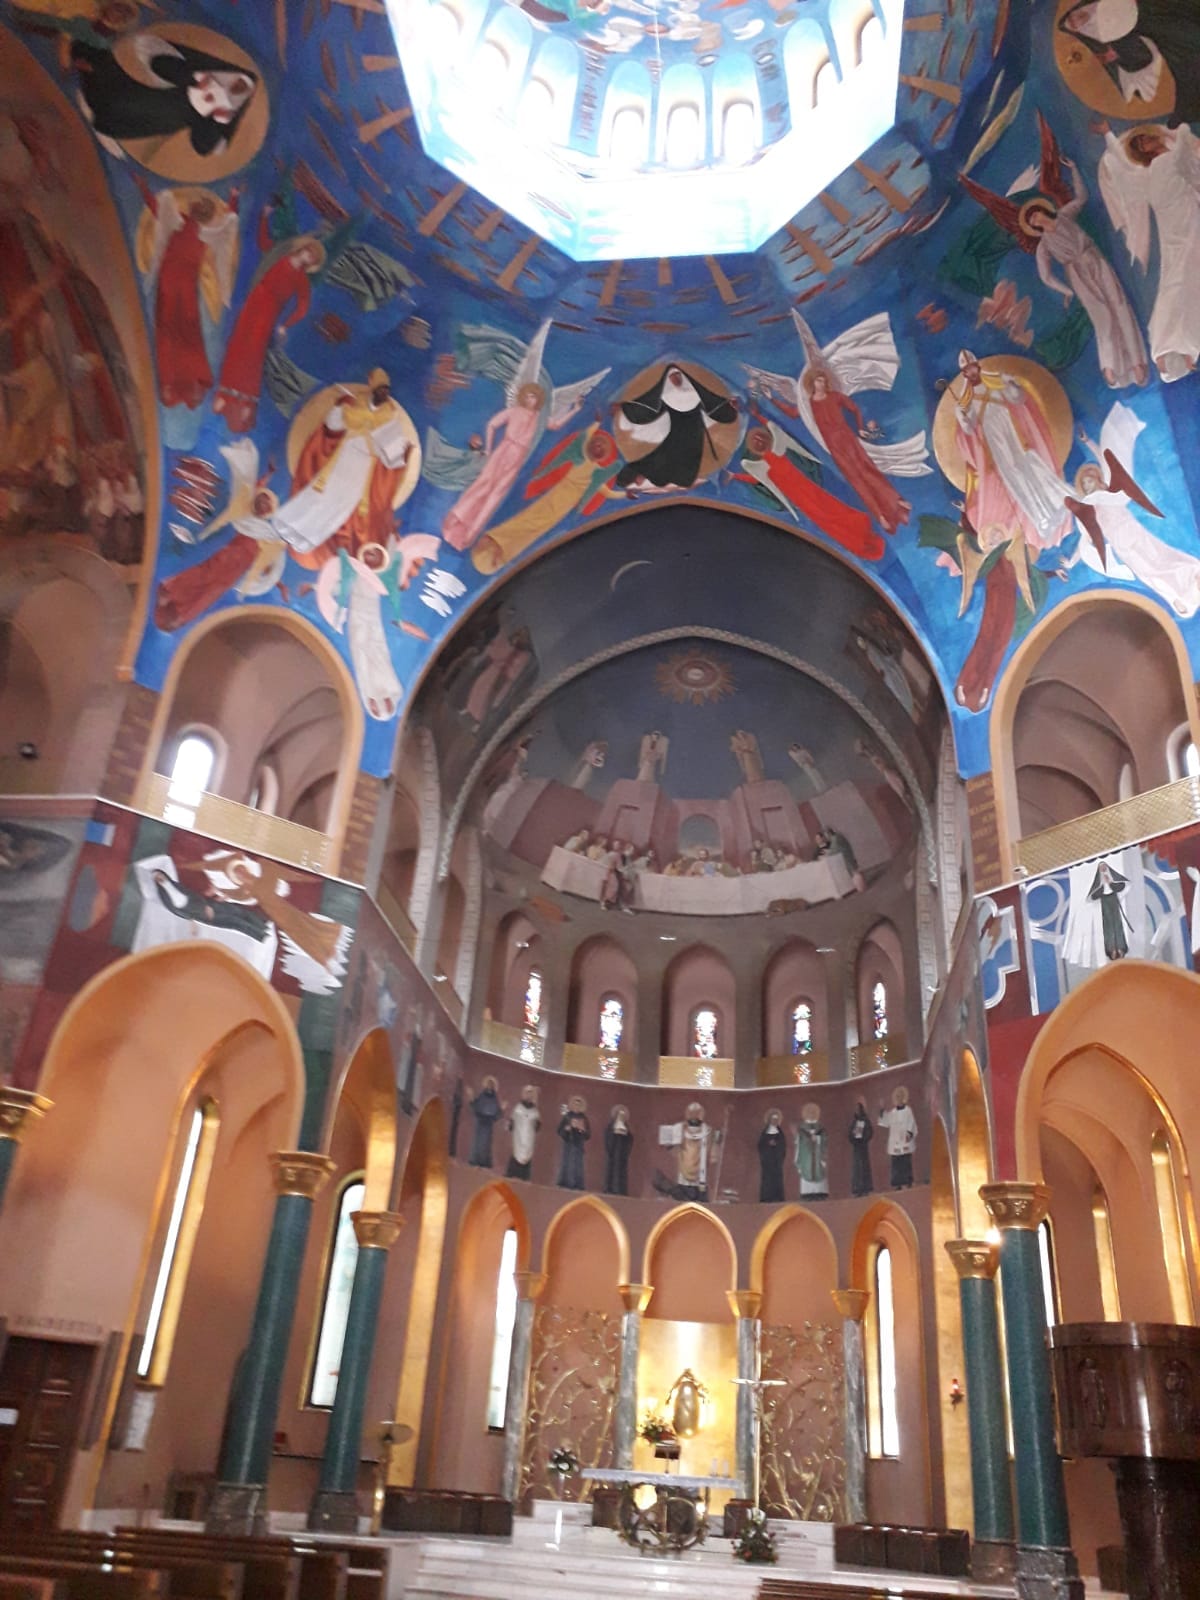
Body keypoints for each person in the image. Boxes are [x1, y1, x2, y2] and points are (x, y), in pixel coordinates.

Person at [655, 1102, 719, 1201]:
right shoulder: (681, 1129)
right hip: (687, 1179)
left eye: (696, 1114)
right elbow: (713, 1158)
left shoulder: (708, 1132)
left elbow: (713, 1157)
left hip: (698, 1179)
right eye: (692, 1114)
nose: (694, 1118)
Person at [1088, 859, 1131, 960]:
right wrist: (1102, 887)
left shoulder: (1112, 876)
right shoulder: (1098, 879)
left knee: (1117, 923)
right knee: (1108, 925)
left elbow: (1121, 886)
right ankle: (1111, 949)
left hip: (1113, 897)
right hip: (1104, 900)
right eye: (1101, 867)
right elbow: (1093, 894)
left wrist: (1110, 882)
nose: (1103, 869)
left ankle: (1121, 947)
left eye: (1104, 867)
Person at [878, 1087, 917, 1189]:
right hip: (895, 1141)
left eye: (900, 1096)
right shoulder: (893, 1112)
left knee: (906, 1162)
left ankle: (908, 1181)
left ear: (904, 1098)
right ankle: (897, 1183)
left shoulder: (908, 1111)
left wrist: (909, 1133)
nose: (898, 1098)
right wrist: (882, 1110)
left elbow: (911, 1122)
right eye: (897, 1097)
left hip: (905, 1140)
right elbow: (885, 1122)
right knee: (896, 1163)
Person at [794, 1103, 828, 1199]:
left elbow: (824, 1140)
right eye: (809, 1112)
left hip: (818, 1155)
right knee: (807, 1169)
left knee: (818, 1170)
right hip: (806, 1156)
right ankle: (807, 1193)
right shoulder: (802, 1128)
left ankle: (819, 1192)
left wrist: (817, 1139)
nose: (811, 1114)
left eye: (813, 1112)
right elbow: (800, 1143)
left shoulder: (820, 1128)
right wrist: (806, 1139)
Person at [506, 1085, 540, 1181]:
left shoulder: (535, 1111)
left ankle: (524, 1176)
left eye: (531, 1094)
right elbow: (512, 1121)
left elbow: (537, 1125)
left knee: (527, 1154)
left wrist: (537, 1124)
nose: (529, 1096)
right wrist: (510, 1125)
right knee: (516, 1152)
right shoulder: (518, 1108)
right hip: (518, 1135)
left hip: (529, 1137)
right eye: (527, 1093)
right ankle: (512, 1173)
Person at [469, 1076, 504, 1168]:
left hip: (488, 1124)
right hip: (480, 1122)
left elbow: (497, 1114)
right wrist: (471, 1098)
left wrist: (502, 1110)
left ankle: (483, 1162)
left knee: (486, 1144)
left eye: (491, 1084)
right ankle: (475, 1161)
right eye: (488, 1083)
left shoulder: (495, 1098)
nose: (490, 1085)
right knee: (477, 1142)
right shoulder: (482, 1095)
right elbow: (475, 1107)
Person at [556, 1095, 591, 1190]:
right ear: (572, 1105)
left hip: (578, 1144)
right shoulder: (567, 1116)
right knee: (566, 1162)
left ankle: (577, 1184)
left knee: (577, 1164)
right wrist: (566, 1129)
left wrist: (581, 1129)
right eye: (575, 1105)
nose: (577, 1107)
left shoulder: (584, 1118)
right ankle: (564, 1182)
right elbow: (559, 1130)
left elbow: (588, 1135)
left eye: (579, 1105)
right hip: (568, 1143)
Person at [604, 1104, 634, 1196]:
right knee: (612, 1170)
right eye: (619, 1115)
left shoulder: (626, 1127)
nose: (621, 1117)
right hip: (613, 1153)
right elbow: (607, 1137)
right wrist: (614, 1133)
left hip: (621, 1154)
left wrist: (626, 1134)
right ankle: (610, 1188)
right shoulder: (611, 1126)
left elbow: (630, 1139)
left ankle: (620, 1189)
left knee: (621, 1172)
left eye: (622, 1115)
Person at [758, 1109, 787, 1203]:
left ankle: (778, 1197)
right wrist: (768, 1144)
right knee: (767, 1179)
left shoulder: (780, 1132)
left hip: (777, 1161)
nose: (774, 1121)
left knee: (777, 1178)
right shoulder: (765, 1132)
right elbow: (760, 1145)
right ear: (769, 1120)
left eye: (776, 1119)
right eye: (773, 1119)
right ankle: (766, 1197)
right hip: (767, 1161)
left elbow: (783, 1145)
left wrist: (777, 1145)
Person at [848, 1100, 875, 1197]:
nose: (857, 1111)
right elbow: (850, 1134)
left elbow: (870, 1132)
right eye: (856, 1110)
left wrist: (863, 1138)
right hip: (857, 1147)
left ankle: (865, 1188)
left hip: (863, 1147)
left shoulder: (865, 1121)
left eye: (858, 1109)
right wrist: (854, 1138)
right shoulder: (854, 1122)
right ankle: (857, 1188)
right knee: (857, 1168)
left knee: (864, 1166)